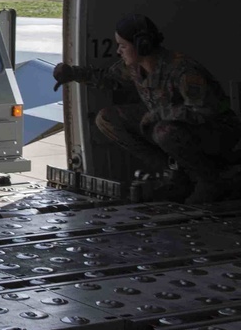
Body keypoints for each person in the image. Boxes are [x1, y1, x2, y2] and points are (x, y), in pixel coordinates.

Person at [53, 14, 241, 203]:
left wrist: (160, 114)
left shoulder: (183, 70)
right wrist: (72, 73)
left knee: (163, 131)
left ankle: (211, 180)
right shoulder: (136, 67)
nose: (119, 51)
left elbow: (206, 111)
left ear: (142, 45)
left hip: (217, 133)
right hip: (173, 126)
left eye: (123, 46)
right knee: (107, 119)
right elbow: (109, 78)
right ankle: (174, 174)